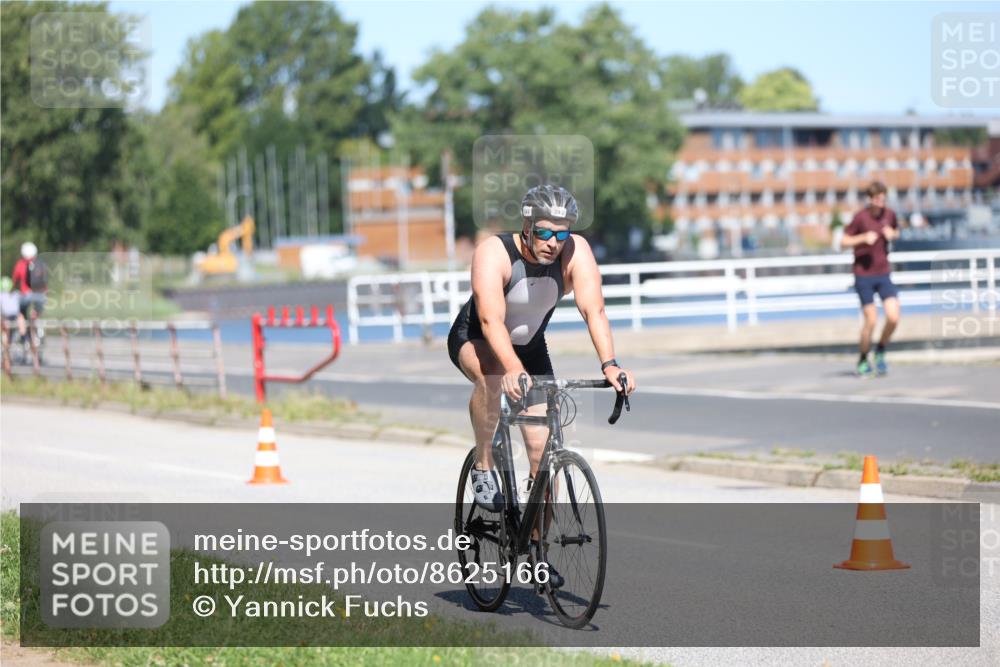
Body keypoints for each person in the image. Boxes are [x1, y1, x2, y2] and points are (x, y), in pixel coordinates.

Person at [447, 184, 636, 516]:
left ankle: (538, 555)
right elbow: (491, 321)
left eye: (561, 235)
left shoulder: (575, 251)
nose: (553, 242)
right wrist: (510, 367)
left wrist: (610, 364)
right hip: (477, 337)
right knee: (492, 379)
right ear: (528, 226)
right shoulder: (494, 252)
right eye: (545, 232)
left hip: (531, 347)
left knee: (542, 452)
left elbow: (595, 310)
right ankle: (483, 465)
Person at [840, 181, 900, 376]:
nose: (880, 203)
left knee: (893, 316)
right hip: (863, 275)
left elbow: (896, 231)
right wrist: (862, 238)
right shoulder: (860, 217)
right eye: (877, 200)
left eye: (883, 199)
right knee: (871, 321)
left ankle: (881, 350)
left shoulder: (890, 214)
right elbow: (843, 242)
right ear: (870, 199)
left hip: (883, 274)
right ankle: (863, 358)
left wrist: (894, 234)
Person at [11, 241, 47, 340]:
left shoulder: (20, 264)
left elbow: (15, 282)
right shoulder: (40, 264)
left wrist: (11, 292)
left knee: (20, 312)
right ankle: (38, 329)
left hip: (26, 295)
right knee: (36, 312)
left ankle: (23, 335)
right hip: (40, 295)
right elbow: (45, 282)